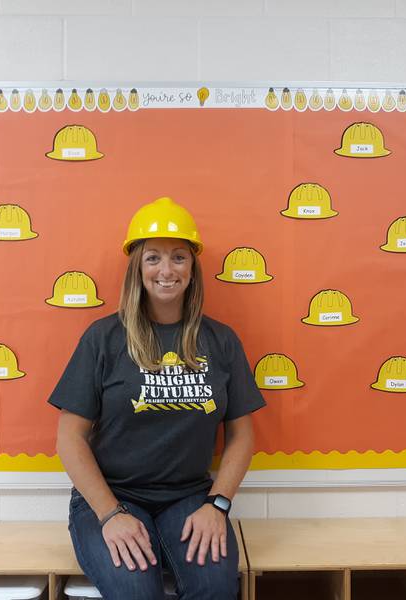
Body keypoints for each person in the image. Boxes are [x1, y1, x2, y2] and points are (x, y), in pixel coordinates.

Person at [49, 197, 266, 600]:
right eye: (153, 258)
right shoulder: (103, 338)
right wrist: (110, 514)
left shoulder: (221, 341)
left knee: (217, 589)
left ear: (192, 269)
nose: (166, 271)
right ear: (138, 268)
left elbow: (242, 437)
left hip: (188, 498)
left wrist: (217, 506)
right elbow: (69, 438)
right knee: (137, 592)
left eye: (178, 258)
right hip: (112, 496)